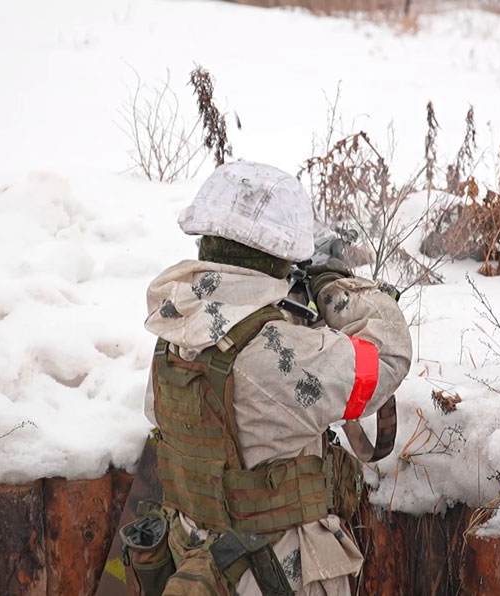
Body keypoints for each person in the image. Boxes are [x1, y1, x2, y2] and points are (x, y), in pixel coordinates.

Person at [140, 161, 412, 595]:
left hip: (195, 560)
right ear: (282, 259)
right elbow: (388, 356)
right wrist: (333, 287)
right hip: (272, 574)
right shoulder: (278, 356)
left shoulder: (172, 334)